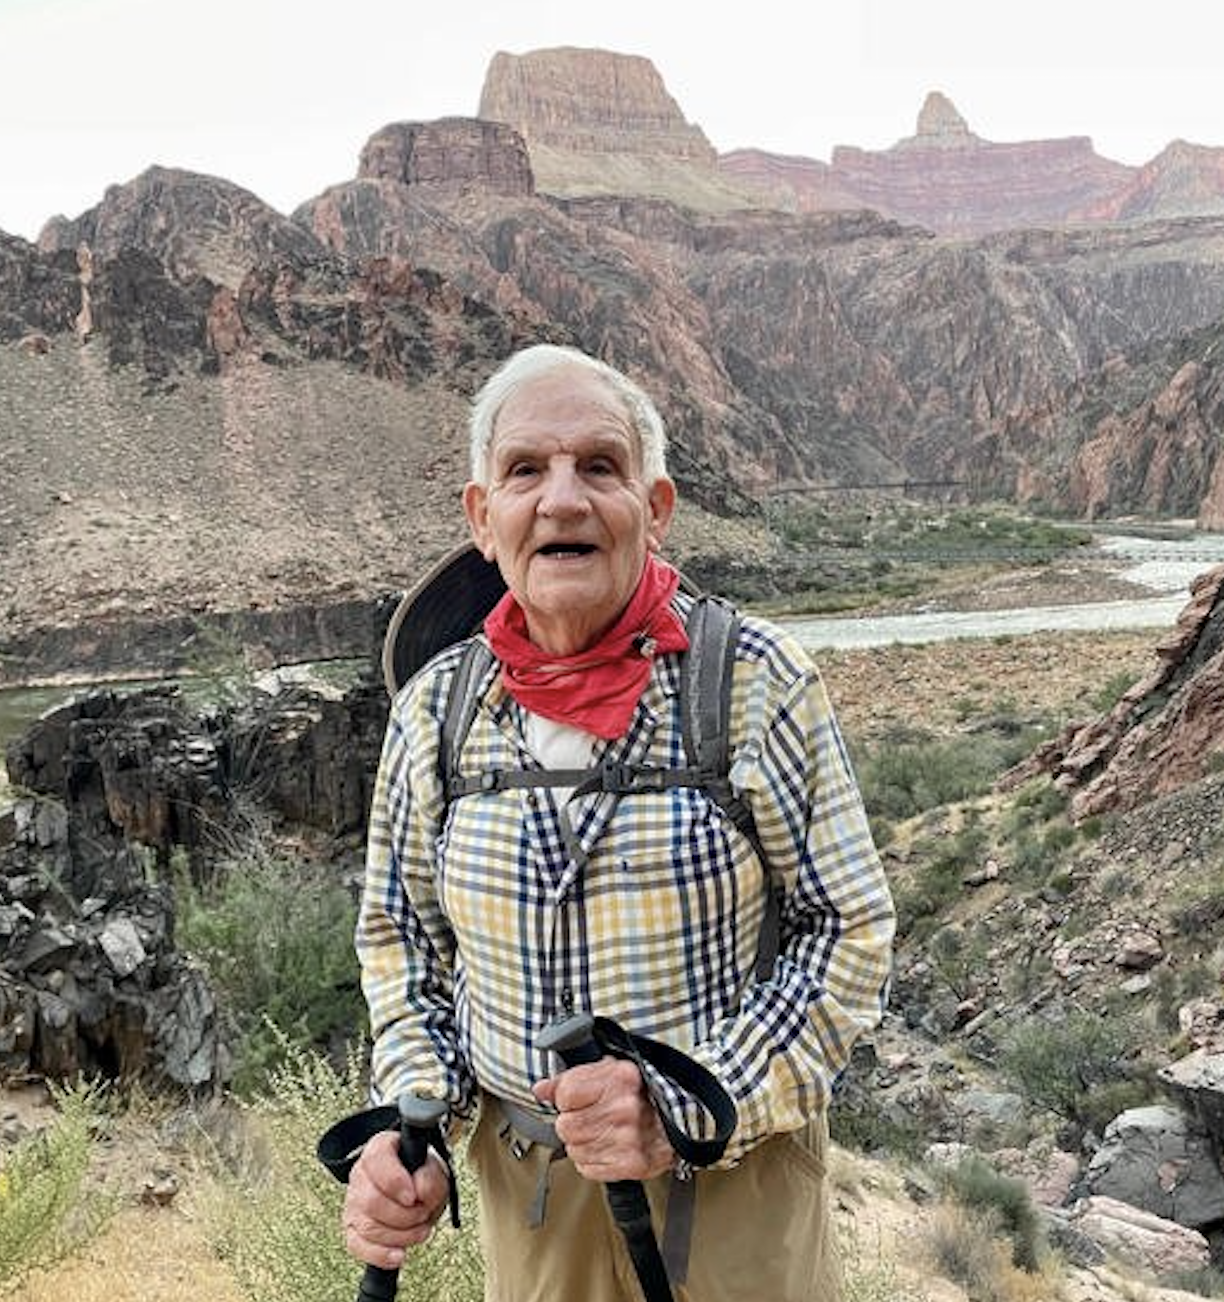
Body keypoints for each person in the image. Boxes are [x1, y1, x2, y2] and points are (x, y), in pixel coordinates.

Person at [341, 342, 895, 1301]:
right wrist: (412, 1119)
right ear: (484, 518)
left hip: (733, 1183)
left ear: (657, 506)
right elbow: (405, 947)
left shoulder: (756, 682)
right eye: (525, 471)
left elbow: (846, 931)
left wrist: (682, 1103)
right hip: (531, 1190)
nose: (562, 500)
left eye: (600, 466)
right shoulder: (435, 713)